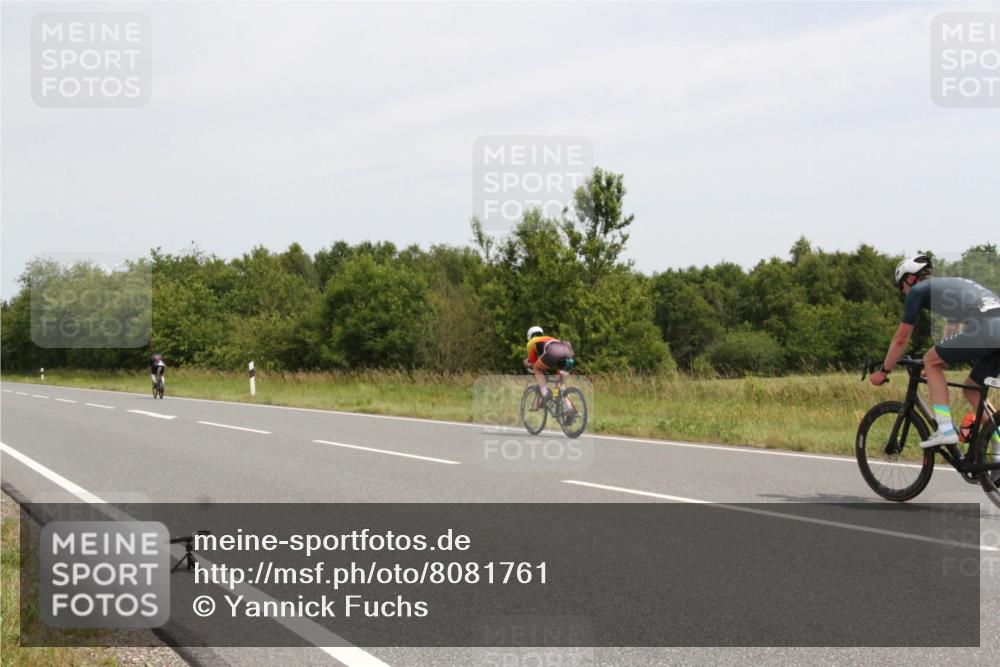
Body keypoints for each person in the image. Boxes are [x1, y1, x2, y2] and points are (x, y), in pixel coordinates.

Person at [870, 255, 1000, 450]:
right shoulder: (951, 286)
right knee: (972, 389)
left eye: (901, 286)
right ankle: (998, 455)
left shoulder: (917, 291)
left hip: (987, 329)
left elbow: (901, 339)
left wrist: (884, 371)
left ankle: (946, 429)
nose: (903, 292)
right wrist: (940, 363)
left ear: (911, 279)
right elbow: (952, 328)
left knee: (930, 360)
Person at [523, 326, 575, 406]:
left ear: (530, 336)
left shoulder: (531, 342)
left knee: (536, 368)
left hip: (553, 354)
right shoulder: (550, 338)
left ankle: (545, 393)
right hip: (568, 356)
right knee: (561, 386)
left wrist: (526, 363)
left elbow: (533, 363)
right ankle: (570, 409)